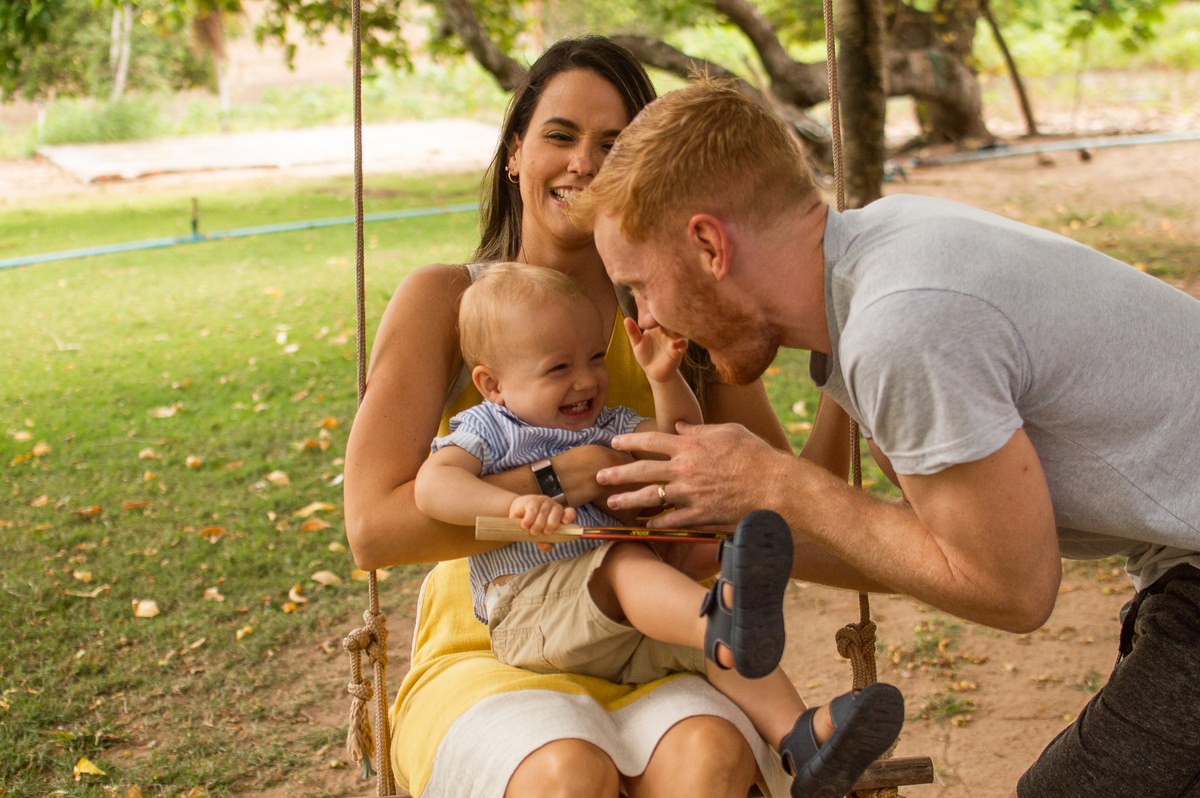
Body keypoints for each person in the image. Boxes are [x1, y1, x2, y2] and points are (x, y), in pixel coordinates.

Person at [570, 77, 1200, 798]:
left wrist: (776, 483)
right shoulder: (881, 254)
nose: (644, 319)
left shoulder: (900, 327)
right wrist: (728, 535)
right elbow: (940, 551)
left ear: (709, 245)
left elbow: (1015, 591)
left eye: (639, 286)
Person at [344, 40, 855, 798]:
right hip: (496, 640)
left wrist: (843, 375)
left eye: (613, 144)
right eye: (560, 135)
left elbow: (787, 504)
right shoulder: (445, 304)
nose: (584, 162)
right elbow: (373, 528)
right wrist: (560, 479)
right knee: (563, 772)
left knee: (710, 755)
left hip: (651, 640)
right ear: (515, 153)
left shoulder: (678, 319)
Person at [413, 262, 905, 798]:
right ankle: (722, 622)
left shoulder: (606, 422)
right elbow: (433, 487)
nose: (586, 380)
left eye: (595, 358)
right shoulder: (492, 427)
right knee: (634, 570)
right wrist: (514, 506)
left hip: (619, 623)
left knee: (714, 650)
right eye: (559, 368)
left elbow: (677, 443)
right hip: (529, 610)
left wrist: (662, 379)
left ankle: (802, 736)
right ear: (493, 384)